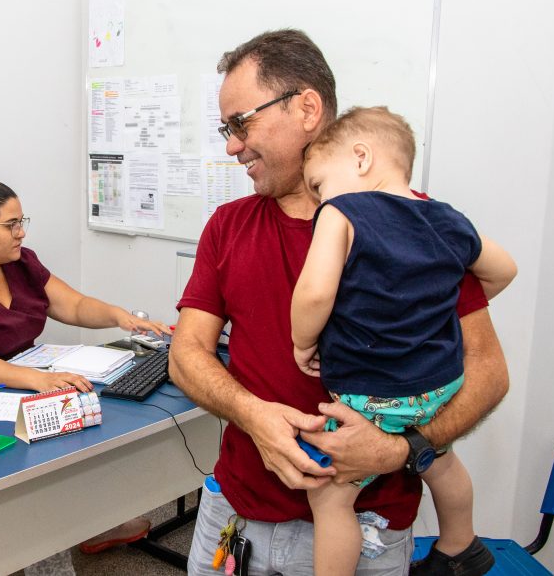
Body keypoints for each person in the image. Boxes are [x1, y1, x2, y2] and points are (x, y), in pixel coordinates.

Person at [168, 29, 510, 576]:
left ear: (307, 108)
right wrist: (252, 415)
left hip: (368, 529)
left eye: (241, 123)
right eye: (225, 128)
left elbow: (489, 372)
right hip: (234, 517)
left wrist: (405, 449)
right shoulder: (228, 226)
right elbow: (186, 353)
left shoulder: (413, 227)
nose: (231, 145)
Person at [290, 106, 517, 576]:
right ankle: (461, 545)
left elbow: (314, 294)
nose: (317, 199)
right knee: (438, 460)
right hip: (439, 387)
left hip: (373, 391)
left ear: (360, 159)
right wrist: (437, 309)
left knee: (330, 495)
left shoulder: (342, 211)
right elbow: (504, 270)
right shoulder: (446, 219)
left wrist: (302, 343)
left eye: (318, 184)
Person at [0, 178, 169, 555]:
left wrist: (122, 318)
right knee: (52, 426)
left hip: (16, 384)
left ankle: (85, 522)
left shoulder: (20, 263)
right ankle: (44, 549)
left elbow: (74, 306)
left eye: (21, 221)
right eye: (11, 224)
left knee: (84, 414)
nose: (21, 232)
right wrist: (39, 380)